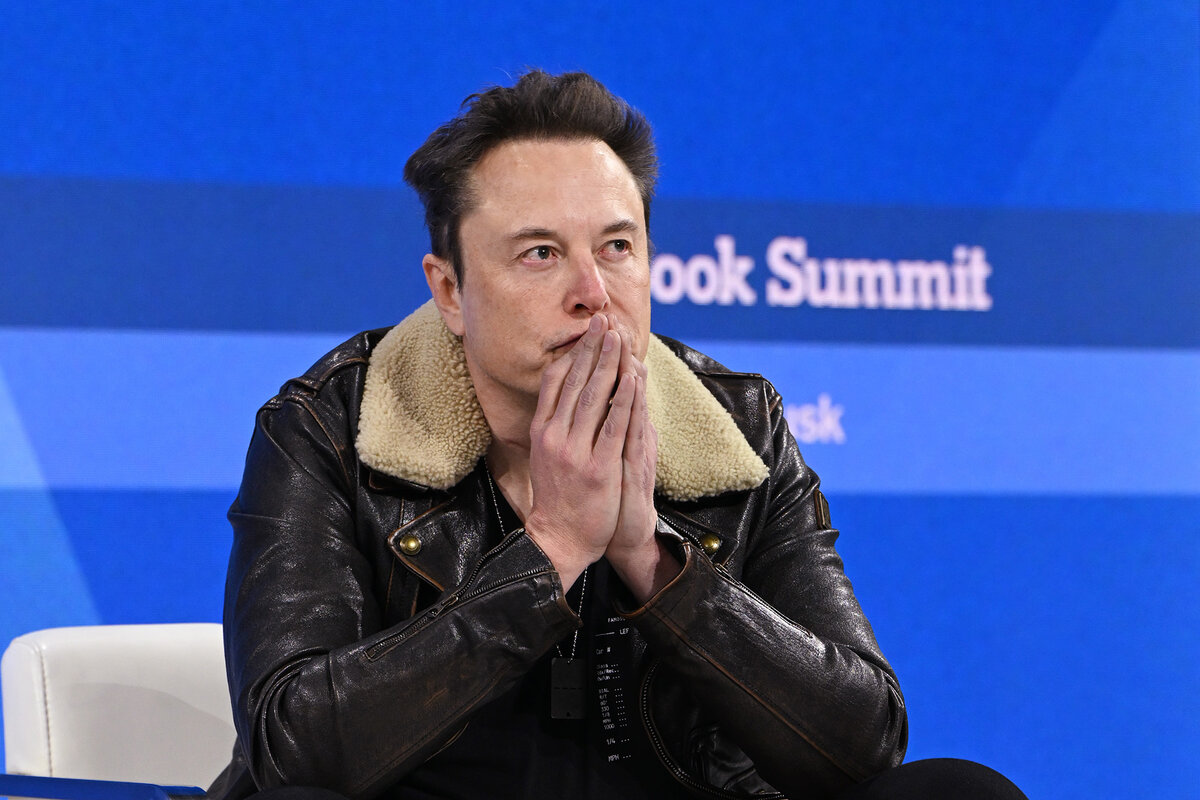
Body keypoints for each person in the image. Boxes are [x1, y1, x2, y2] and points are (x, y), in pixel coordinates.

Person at [209, 71, 1026, 800]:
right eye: (540, 253)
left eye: (617, 248)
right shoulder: (329, 428)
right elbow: (293, 748)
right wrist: (551, 555)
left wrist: (655, 563)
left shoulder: (742, 431)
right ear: (450, 291)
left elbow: (862, 746)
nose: (593, 292)